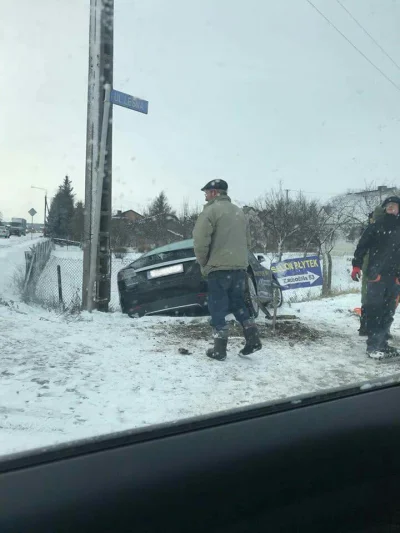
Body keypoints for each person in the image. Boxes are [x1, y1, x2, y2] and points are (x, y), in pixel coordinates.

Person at [193, 179, 262, 361]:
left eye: (207, 193)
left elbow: (200, 242)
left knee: (217, 305)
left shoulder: (210, 211)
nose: (206, 196)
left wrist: (204, 263)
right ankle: (252, 336)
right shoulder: (239, 213)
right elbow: (249, 242)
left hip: (218, 268)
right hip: (239, 267)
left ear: (215, 193)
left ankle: (219, 348)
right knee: (238, 302)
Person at [351, 196, 400, 359]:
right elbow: (362, 247)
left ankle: (383, 345)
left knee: (388, 311)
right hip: (376, 275)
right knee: (375, 311)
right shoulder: (376, 226)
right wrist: (356, 266)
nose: (391, 208)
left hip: (394, 277)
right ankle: (373, 347)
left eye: (394, 206)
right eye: (389, 206)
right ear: (385, 208)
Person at [358, 207, 385, 336]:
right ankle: (365, 326)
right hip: (370, 270)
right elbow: (362, 250)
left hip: (380, 270)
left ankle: (376, 327)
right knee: (368, 298)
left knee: (376, 299)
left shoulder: (385, 231)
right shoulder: (370, 231)